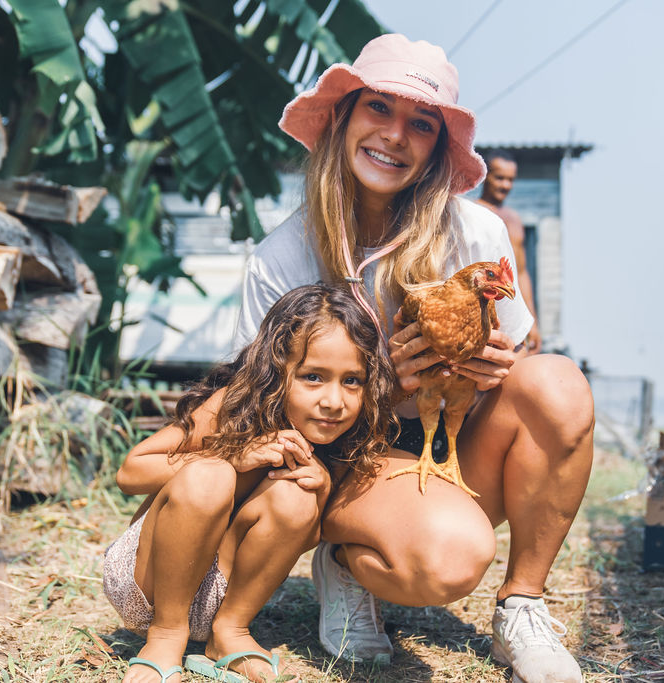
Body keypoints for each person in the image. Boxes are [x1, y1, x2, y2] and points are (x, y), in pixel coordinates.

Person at [235, 34, 594, 683]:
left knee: (559, 384)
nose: (395, 135)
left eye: (421, 123)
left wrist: (494, 364)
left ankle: (522, 605)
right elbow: (261, 416)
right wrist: (383, 385)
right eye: (379, 107)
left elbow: (522, 348)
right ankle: (345, 556)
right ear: (342, 118)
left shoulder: (477, 232)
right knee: (447, 560)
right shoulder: (282, 258)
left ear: (436, 147)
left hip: (447, 441)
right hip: (338, 463)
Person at [104, 284, 398, 683]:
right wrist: (230, 456)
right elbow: (131, 472)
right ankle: (166, 636)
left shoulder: (346, 440)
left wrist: (322, 490)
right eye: (313, 377)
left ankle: (229, 633)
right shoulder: (233, 406)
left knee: (298, 494)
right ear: (277, 369)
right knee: (211, 476)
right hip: (149, 586)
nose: (334, 401)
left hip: (218, 593)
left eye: (352, 381)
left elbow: (302, 539)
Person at [475, 149, 542, 354]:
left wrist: (532, 321)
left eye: (510, 179)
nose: (506, 185)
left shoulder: (514, 219)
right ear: (485, 176)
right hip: (482, 314)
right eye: (500, 178)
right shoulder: (473, 213)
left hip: (511, 314)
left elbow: (521, 273)